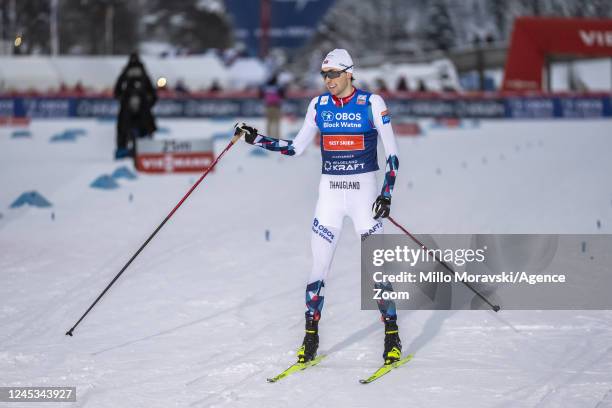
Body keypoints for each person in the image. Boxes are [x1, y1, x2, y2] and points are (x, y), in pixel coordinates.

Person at [238, 49, 401, 365]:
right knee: (318, 269)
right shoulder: (319, 106)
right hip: (329, 196)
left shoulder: (371, 103)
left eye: (334, 74)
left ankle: (392, 336)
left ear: (349, 73)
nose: (328, 80)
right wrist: (256, 139)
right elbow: (296, 148)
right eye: (324, 75)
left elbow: (392, 154)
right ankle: (310, 338)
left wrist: (386, 195)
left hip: (364, 199)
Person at [113, 53, 157, 159]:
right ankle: (145, 148)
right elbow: (153, 93)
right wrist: (149, 102)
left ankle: (124, 148)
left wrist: (122, 99)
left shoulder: (127, 72)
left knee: (124, 127)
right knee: (145, 126)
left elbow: (117, 90)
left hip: (134, 107)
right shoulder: (143, 73)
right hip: (138, 108)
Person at [259, 72, 285, 139]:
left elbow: (260, 95)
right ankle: (277, 136)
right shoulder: (278, 86)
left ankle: (269, 136)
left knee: (269, 122)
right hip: (276, 106)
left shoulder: (265, 86)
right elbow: (283, 95)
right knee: (276, 122)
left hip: (268, 106)